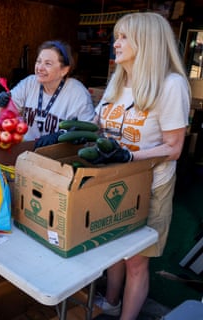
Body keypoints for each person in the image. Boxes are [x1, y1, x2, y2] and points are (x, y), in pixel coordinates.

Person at [91, 12, 190, 319]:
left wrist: (130, 157)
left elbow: (173, 149)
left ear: (145, 42)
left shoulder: (171, 85)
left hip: (150, 188)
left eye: (123, 37)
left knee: (136, 260)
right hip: (113, 183)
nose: (115, 42)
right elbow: (96, 126)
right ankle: (111, 301)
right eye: (116, 36)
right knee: (113, 250)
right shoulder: (117, 83)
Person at [0, 40, 95, 147]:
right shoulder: (29, 83)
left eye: (48, 64)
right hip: (26, 150)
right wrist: (0, 102)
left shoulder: (77, 93)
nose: (40, 68)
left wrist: (60, 135)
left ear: (64, 70)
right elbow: (2, 113)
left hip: (59, 156)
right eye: (38, 61)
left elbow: (89, 131)